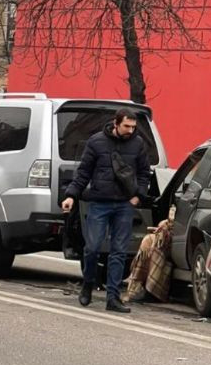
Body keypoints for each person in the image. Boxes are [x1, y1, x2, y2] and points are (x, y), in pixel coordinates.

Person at [61, 108, 151, 313]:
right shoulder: (96, 141)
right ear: (116, 123)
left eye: (133, 127)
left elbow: (145, 173)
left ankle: (113, 297)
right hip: (99, 203)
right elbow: (83, 172)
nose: (130, 130)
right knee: (92, 248)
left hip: (124, 205)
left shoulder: (138, 144)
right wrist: (70, 195)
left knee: (119, 251)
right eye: (126, 126)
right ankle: (87, 285)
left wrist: (138, 196)